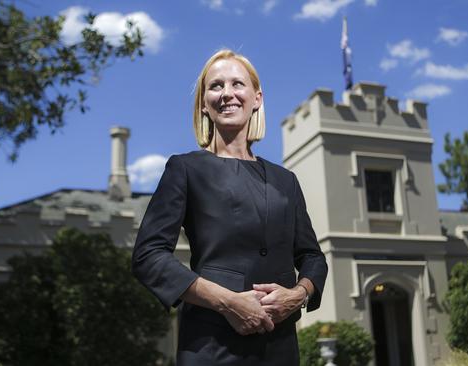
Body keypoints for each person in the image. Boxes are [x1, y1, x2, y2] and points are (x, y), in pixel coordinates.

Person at [131, 49, 328, 365]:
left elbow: (312, 256)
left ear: (257, 98)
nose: (227, 94)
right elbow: (148, 256)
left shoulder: (286, 180)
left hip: (280, 349)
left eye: (237, 84)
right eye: (216, 86)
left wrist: (298, 295)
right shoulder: (185, 169)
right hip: (212, 347)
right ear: (204, 105)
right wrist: (228, 303)